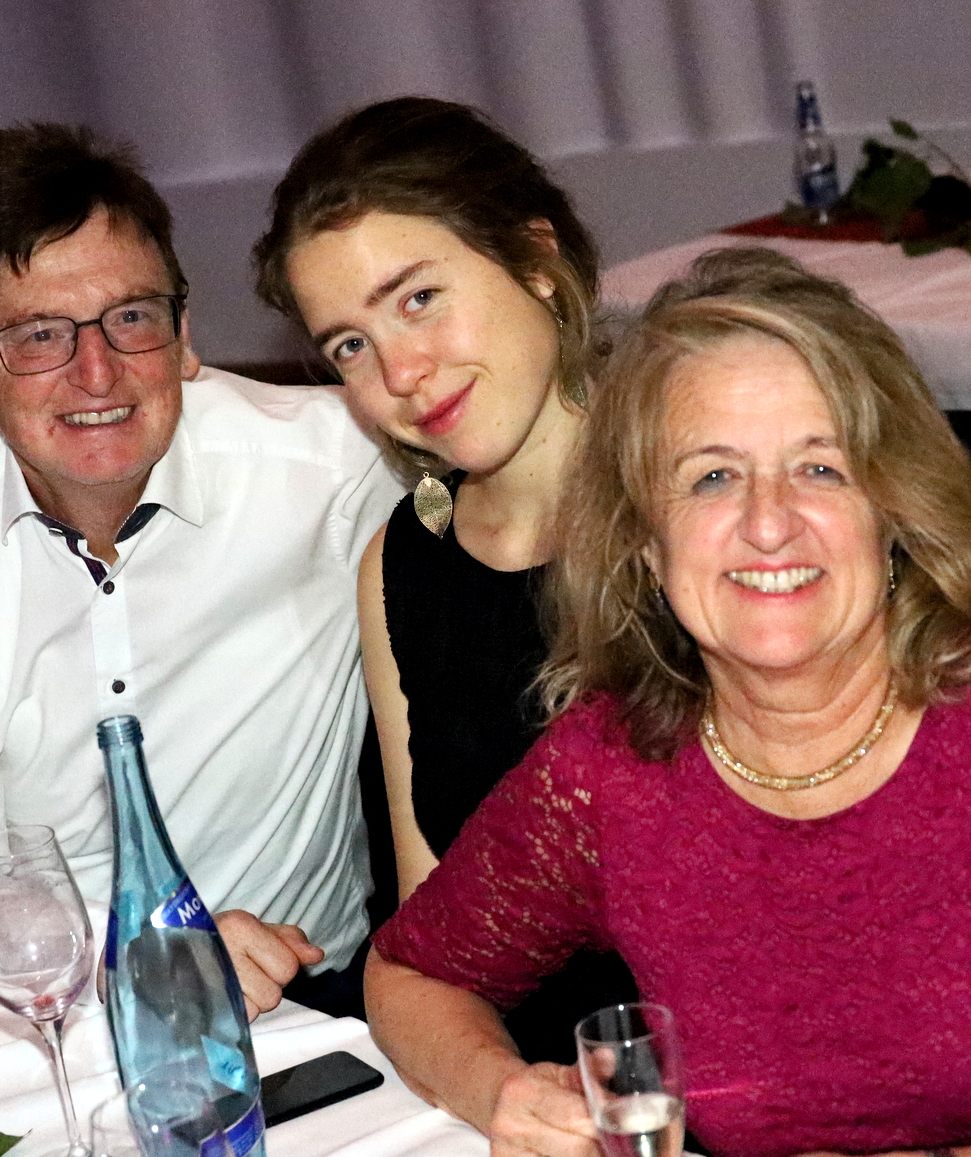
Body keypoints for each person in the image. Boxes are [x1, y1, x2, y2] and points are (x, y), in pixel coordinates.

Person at [365, 248, 971, 1155]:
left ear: (894, 512)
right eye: (712, 476)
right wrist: (502, 1090)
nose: (769, 523)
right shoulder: (613, 770)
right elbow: (410, 971)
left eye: (821, 468)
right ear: (647, 543)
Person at [0, 123, 400, 1016]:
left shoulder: (335, 467)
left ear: (184, 334)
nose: (96, 373)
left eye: (131, 317)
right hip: (44, 1009)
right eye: (37, 336)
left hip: (304, 1005)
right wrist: (140, 950)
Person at [253, 97, 637, 1061]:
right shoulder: (403, 564)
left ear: (536, 259)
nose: (402, 372)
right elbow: (432, 945)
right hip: (511, 1088)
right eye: (350, 345)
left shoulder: (702, 501)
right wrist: (503, 1094)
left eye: (419, 298)